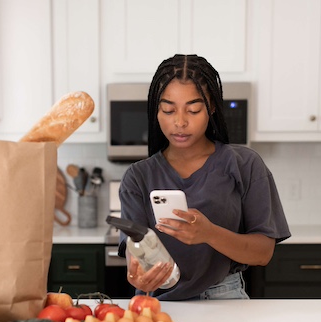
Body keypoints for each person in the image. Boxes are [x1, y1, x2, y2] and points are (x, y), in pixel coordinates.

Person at [118, 54, 290, 300]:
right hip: (157, 304)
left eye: (194, 110)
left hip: (225, 298)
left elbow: (263, 253)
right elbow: (135, 253)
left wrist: (209, 233)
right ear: (156, 110)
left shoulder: (245, 165)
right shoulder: (138, 177)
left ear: (210, 107)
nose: (180, 122)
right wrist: (138, 274)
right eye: (168, 109)